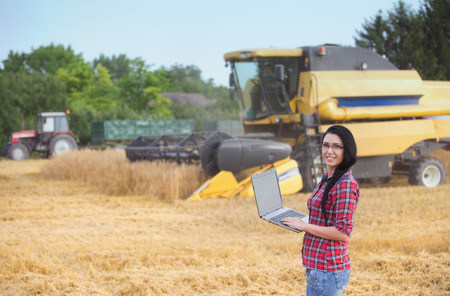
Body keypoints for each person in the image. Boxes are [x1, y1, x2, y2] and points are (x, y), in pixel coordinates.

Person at [281, 125, 359, 296]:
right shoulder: (327, 178)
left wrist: (305, 226)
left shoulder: (345, 184)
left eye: (336, 146)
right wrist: (300, 220)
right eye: (326, 145)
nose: (329, 151)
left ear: (347, 150)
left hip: (328, 269)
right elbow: (324, 217)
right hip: (317, 267)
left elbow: (343, 232)